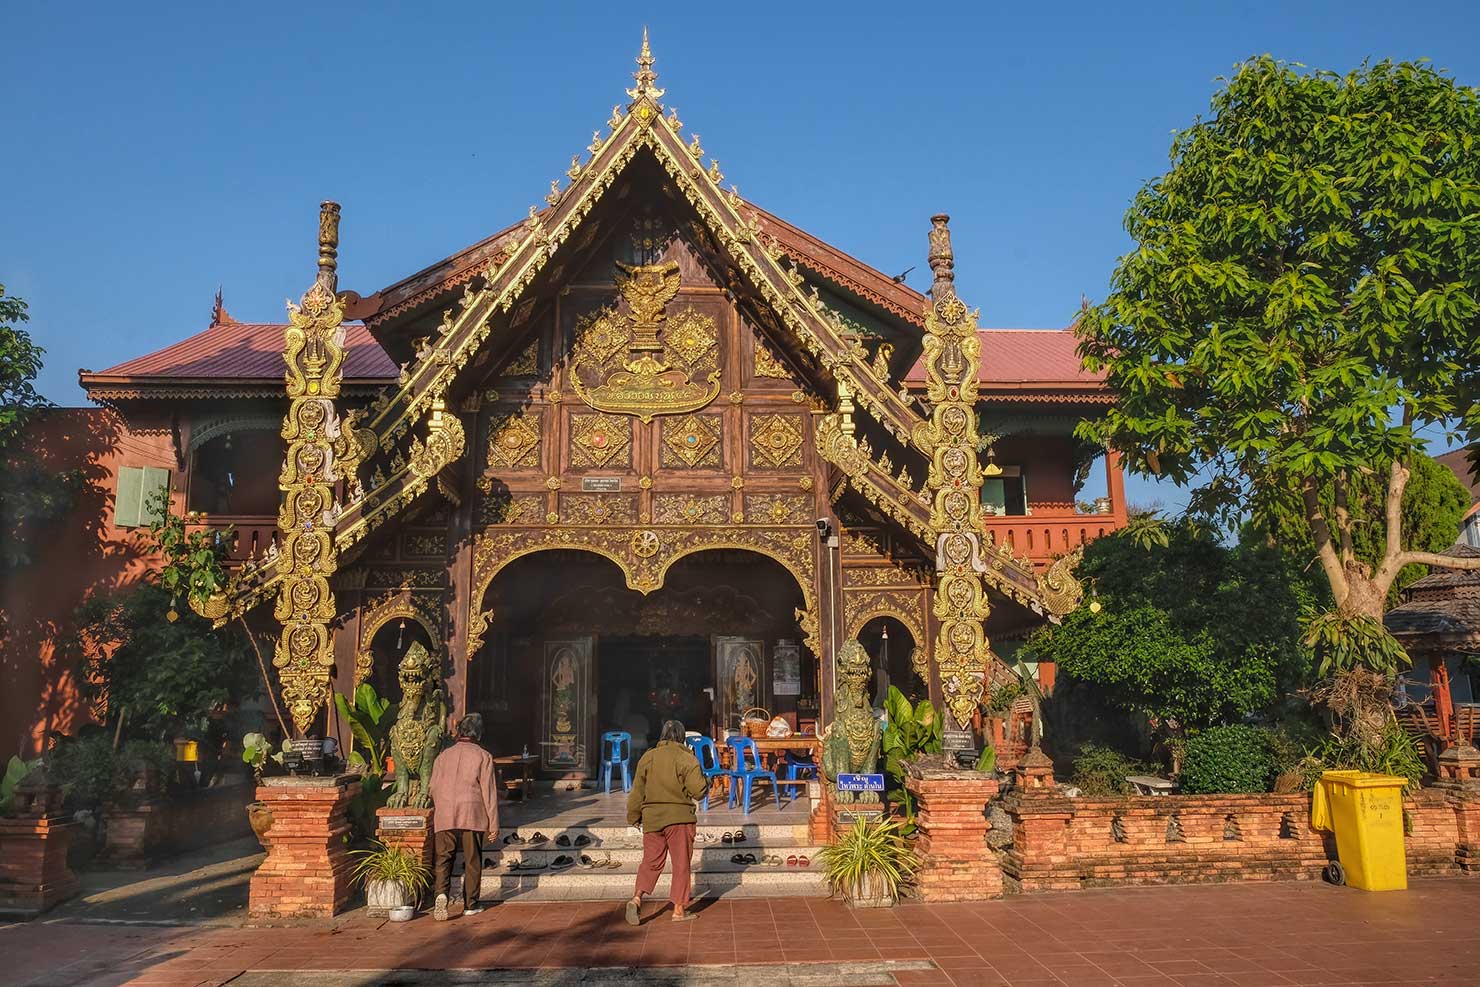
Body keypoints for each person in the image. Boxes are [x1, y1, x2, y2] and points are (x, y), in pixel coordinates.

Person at [625, 719, 707, 925]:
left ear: (662, 736)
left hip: (652, 818)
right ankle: (678, 910)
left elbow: (637, 792)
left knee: (651, 862)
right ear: (681, 737)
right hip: (679, 819)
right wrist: (706, 782)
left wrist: (634, 817)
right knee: (681, 864)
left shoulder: (648, 757)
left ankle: (636, 898)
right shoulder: (687, 758)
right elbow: (699, 791)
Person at [428, 712, 499, 921]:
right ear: (479, 733)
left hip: (445, 811)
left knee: (443, 857)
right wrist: (493, 824)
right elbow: (489, 792)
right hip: (472, 811)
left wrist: (442, 804)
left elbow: (432, 786)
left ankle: (441, 893)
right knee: (472, 859)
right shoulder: (483, 756)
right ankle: (471, 904)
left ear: (460, 731)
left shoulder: (443, 756)